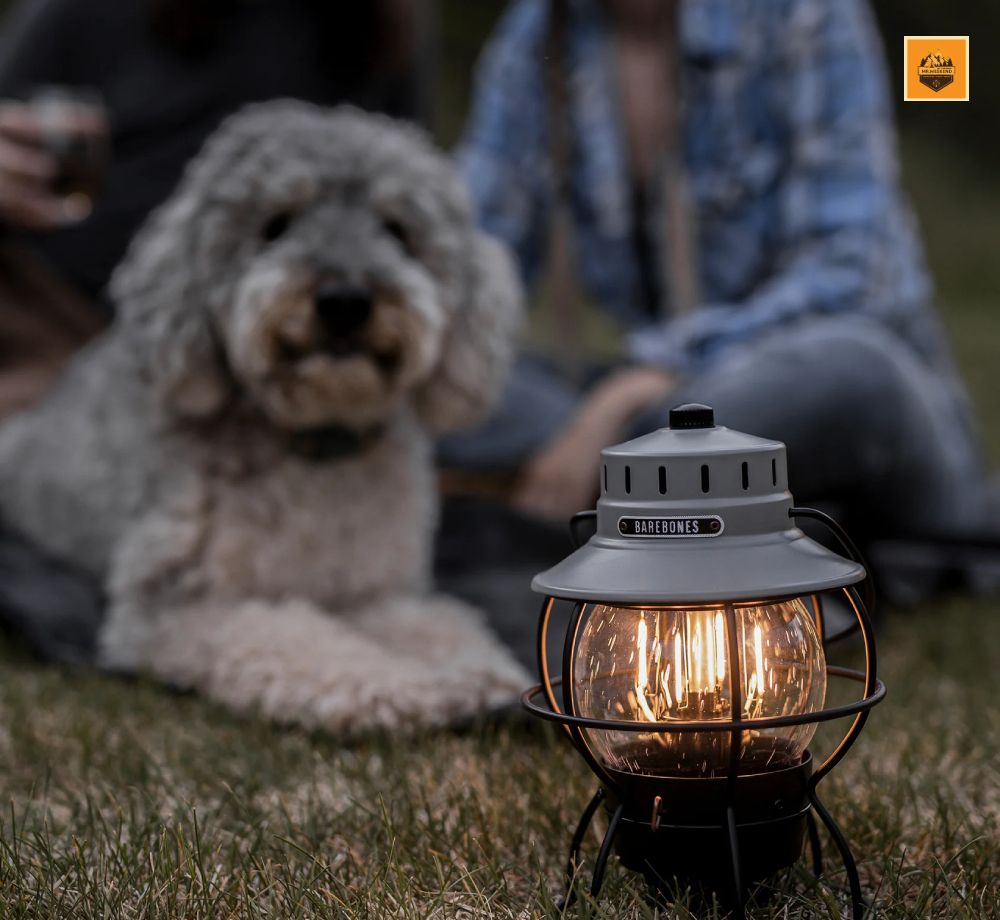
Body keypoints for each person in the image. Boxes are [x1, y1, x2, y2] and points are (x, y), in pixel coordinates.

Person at [445, 0, 992, 547]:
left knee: (848, 370)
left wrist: (634, 390)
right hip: (665, 407)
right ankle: (650, 486)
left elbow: (850, 274)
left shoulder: (802, 13)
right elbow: (474, 261)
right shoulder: (539, 31)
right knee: (445, 379)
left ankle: (611, 489)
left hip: (811, 386)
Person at [0, 0, 425, 415]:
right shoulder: (79, 11)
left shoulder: (384, 23)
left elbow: (411, 189)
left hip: (290, 340)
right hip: (58, 312)